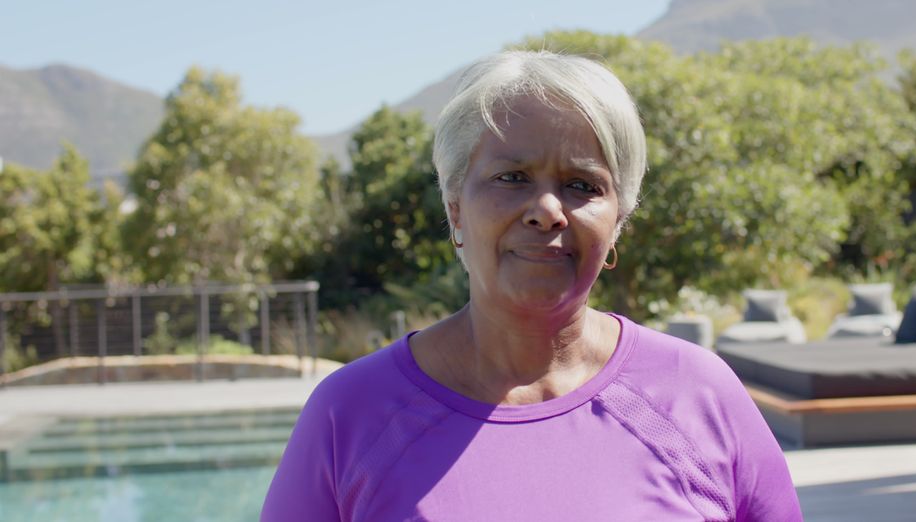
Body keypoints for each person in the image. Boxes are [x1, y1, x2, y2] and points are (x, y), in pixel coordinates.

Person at [262, 51, 802, 521]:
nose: (546, 211)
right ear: (455, 209)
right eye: (511, 177)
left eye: (581, 185)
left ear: (619, 221)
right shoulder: (352, 414)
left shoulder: (698, 393)